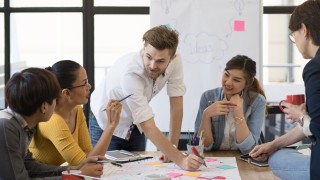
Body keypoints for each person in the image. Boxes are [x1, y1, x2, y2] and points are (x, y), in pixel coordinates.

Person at [90, 25, 204, 171]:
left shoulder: (176, 60)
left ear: (172, 57)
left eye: (160, 61)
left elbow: (176, 104)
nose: (152, 65)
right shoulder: (131, 73)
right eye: (149, 57)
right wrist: (180, 159)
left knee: (137, 170)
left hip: (134, 124)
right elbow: (147, 124)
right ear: (144, 48)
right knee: (106, 171)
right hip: (107, 120)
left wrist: (172, 148)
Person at [250, 0, 320, 179]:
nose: (294, 41)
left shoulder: (315, 67)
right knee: (278, 151)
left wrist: (301, 116)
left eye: (293, 35)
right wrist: (273, 144)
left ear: (304, 30)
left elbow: (317, 127)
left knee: (278, 159)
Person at [0, 68, 105, 179]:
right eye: (55, 99)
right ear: (44, 106)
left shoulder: (21, 125)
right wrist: (74, 177)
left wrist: (73, 170)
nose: (57, 104)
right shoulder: (6, 128)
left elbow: (30, 168)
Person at [28, 60, 122, 166]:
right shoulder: (53, 120)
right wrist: (111, 125)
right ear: (66, 93)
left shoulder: (77, 109)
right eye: (84, 83)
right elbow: (85, 165)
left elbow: (89, 156)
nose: (89, 86)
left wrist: (111, 125)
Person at [194, 55, 267, 154]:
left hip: (244, 161)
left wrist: (238, 112)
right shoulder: (207, 97)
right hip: (215, 159)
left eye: (236, 80)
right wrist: (206, 115)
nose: (228, 82)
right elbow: (201, 146)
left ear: (247, 83)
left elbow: (249, 149)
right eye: (226, 75)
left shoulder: (258, 101)